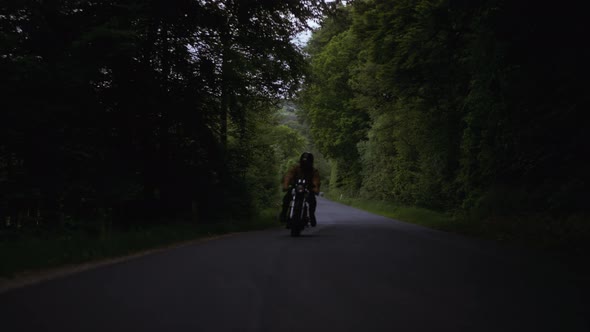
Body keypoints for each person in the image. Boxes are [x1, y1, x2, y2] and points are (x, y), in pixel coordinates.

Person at [280, 152, 320, 227]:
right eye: (304, 160)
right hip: (295, 187)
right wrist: (286, 185)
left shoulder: (313, 171)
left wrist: (315, 188)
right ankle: (283, 214)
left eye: (307, 161)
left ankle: (311, 216)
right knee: (287, 198)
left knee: (312, 201)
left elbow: (316, 180)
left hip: (307, 189)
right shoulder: (296, 168)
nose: (305, 163)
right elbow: (289, 176)